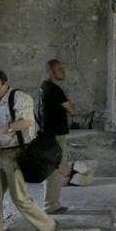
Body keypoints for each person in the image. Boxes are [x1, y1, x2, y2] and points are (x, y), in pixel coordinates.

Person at [0, 69, 58, 231]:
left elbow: (27, 122)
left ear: (5, 84)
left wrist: (4, 129)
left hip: (16, 153)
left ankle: (48, 226)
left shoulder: (20, 98)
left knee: (20, 198)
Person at [39, 59, 76, 215]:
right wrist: (68, 101)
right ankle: (51, 205)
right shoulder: (54, 89)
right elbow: (72, 109)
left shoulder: (43, 87)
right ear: (50, 71)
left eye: (63, 68)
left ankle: (51, 203)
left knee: (54, 169)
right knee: (56, 169)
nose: (63, 71)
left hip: (49, 134)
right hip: (55, 135)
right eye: (59, 69)